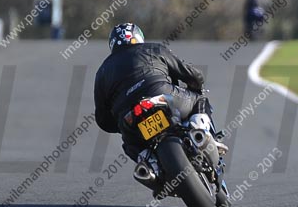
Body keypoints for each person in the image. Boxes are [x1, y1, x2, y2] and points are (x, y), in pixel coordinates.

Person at [94, 23, 227, 187]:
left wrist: (121, 124)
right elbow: (190, 73)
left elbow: (102, 119)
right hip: (162, 95)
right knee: (200, 100)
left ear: (113, 44)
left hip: (130, 114)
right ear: (138, 37)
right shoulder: (153, 48)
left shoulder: (102, 71)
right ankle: (201, 134)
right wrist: (196, 84)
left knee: (129, 144)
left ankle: (150, 167)